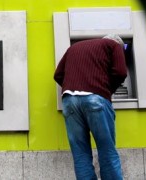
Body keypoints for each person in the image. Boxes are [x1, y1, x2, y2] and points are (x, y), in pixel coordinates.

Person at [54, 34, 128, 180]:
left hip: (69, 101)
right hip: (95, 100)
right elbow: (121, 72)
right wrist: (106, 90)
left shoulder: (73, 48)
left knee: (80, 154)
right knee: (107, 151)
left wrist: (75, 87)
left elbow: (58, 75)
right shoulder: (114, 45)